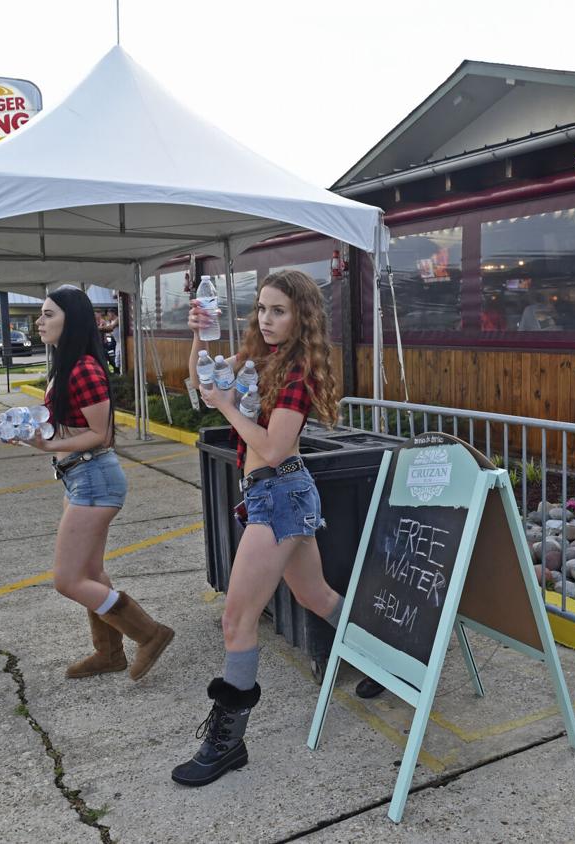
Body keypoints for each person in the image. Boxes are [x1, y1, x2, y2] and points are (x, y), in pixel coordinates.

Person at [172, 269, 378, 788]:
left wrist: (226, 407)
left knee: (236, 620)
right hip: (276, 493)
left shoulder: (297, 373)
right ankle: (386, 657)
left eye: (278, 311)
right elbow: (201, 382)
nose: (266, 319)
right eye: (261, 308)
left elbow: (273, 446)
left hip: (280, 494)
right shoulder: (260, 358)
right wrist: (199, 337)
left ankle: (227, 742)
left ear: (301, 317)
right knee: (314, 596)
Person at [10, 286, 174, 682]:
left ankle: (149, 634)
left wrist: (49, 445)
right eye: (41, 314)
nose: (40, 321)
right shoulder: (66, 366)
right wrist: (29, 433)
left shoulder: (84, 368)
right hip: (79, 477)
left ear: (72, 320)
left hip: (94, 479)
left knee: (68, 580)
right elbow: (69, 425)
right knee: (90, 572)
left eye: (49, 314)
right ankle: (109, 653)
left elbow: (102, 434)